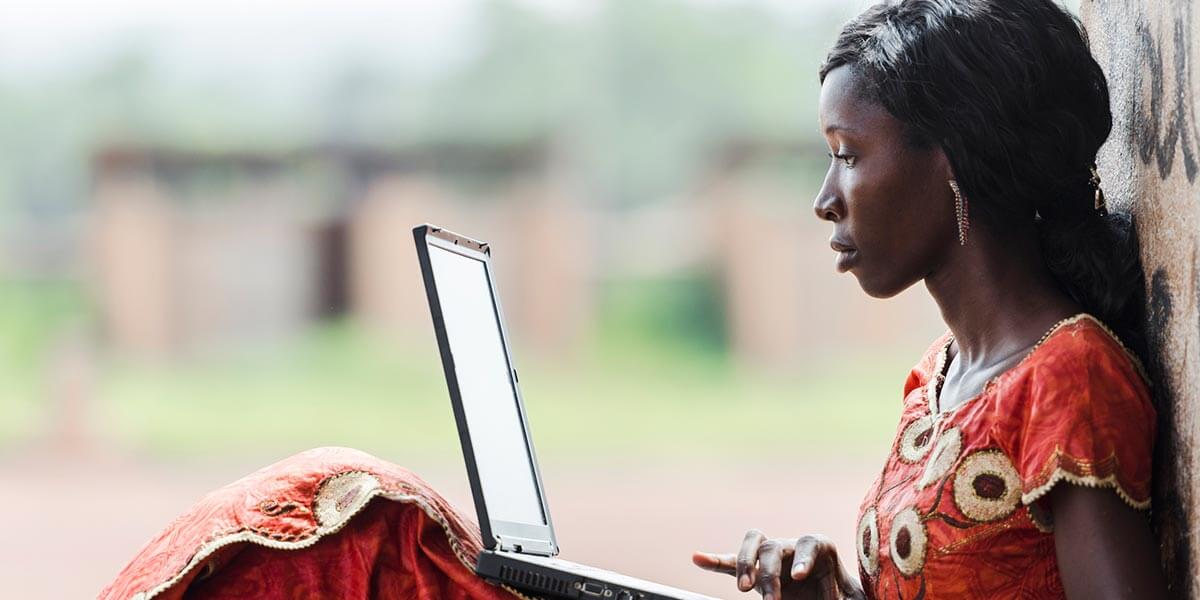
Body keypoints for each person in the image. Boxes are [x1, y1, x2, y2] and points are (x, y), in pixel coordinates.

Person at [690, 0, 1168, 598]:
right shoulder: (935, 379)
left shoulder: (1068, 378)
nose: (825, 198)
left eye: (847, 155)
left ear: (953, 161)